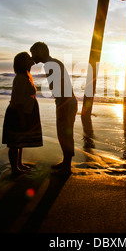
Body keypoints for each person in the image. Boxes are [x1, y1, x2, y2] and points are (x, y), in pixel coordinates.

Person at [30, 41, 77, 176]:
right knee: (64, 134)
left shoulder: (51, 65)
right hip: (66, 102)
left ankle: (66, 168)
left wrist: (62, 106)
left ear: (40, 52)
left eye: (33, 53)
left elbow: (62, 86)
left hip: (65, 103)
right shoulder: (51, 64)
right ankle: (66, 163)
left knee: (64, 134)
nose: (32, 56)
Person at [2, 52, 43, 175]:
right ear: (23, 62)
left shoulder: (26, 75)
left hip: (25, 112)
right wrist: (22, 118)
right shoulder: (20, 77)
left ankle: (19, 164)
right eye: (28, 58)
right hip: (17, 113)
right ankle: (14, 168)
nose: (31, 59)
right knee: (14, 143)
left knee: (20, 141)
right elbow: (18, 101)